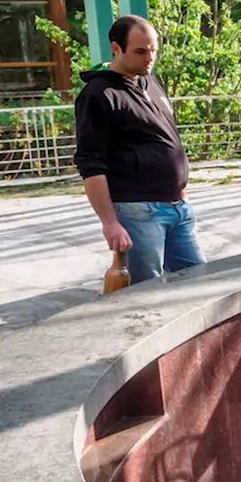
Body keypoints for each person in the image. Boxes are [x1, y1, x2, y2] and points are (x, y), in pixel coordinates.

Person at [74, 15, 204, 284]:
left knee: (200, 280)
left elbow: (168, 140)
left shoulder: (152, 84)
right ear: (116, 49)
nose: (150, 58)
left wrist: (181, 190)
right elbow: (90, 163)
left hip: (177, 207)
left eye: (153, 49)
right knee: (146, 291)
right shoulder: (99, 94)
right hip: (137, 211)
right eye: (140, 51)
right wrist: (110, 223)